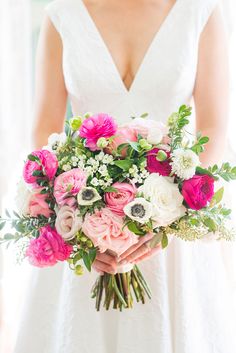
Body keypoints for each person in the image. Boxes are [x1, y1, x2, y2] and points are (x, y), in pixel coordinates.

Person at [13, 1, 236, 352]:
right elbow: (45, 128)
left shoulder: (200, 11)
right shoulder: (62, 13)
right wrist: (83, 226)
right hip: (86, 225)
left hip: (171, 230)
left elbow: (214, 129)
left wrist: (166, 218)